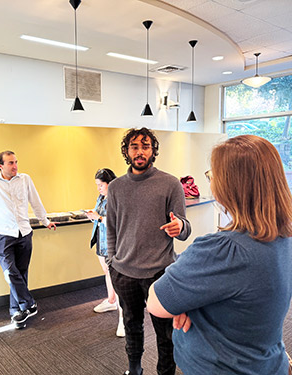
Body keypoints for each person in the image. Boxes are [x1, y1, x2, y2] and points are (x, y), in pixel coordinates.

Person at [147, 135, 292, 375]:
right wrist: (187, 302)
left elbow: (156, 302)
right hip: (265, 362)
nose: (211, 182)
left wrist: (185, 302)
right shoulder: (283, 235)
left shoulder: (224, 251)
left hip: (220, 367)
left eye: (212, 176)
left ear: (232, 185)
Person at [106, 127, 191, 375]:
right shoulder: (116, 187)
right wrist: (112, 263)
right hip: (124, 272)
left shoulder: (170, 183)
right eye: (134, 146)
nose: (140, 151)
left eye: (145, 146)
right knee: (132, 326)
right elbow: (111, 228)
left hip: (160, 273)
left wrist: (180, 227)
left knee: (166, 333)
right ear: (126, 151)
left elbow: (185, 228)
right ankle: (134, 369)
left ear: (153, 150)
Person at [0, 151, 57, 328]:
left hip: (24, 233)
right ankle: (28, 303)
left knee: (20, 273)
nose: (15, 166)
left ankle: (17, 313)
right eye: (11, 163)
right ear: (0, 166)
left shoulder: (25, 179)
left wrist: (45, 221)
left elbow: (35, 201)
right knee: (10, 272)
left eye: (16, 162)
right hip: (2, 235)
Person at [86, 168, 125, 337]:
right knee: (107, 273)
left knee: (120, 279)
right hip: (101, 242)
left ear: (111, 184)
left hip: (114, 244)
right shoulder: (102, 197)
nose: (98, 188)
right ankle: (111, 300)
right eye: (97, 185)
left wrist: (99, 218)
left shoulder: (119, 198)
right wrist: (94, 216)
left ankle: (124, 319)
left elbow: (120, 222)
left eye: (100, 185)